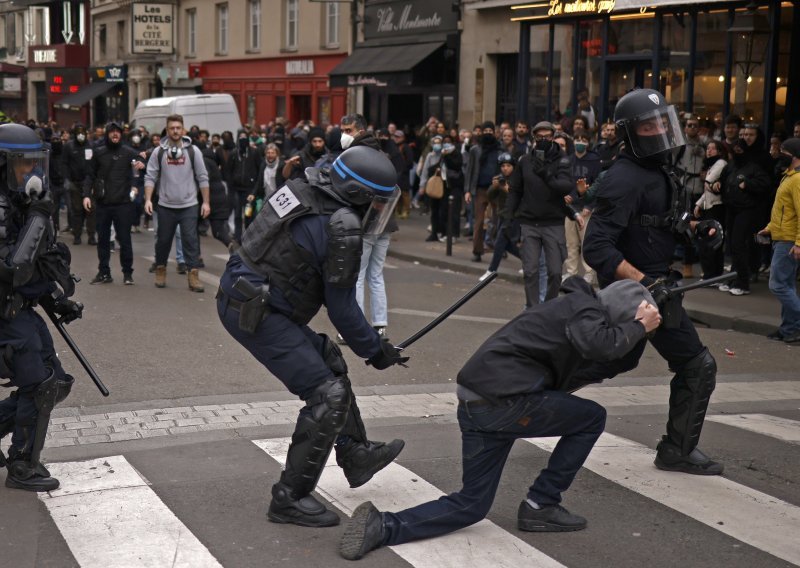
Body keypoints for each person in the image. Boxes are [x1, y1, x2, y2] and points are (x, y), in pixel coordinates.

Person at [339, 278, 662, 560]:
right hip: (505, 404)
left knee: (472, 504)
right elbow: (602, 346)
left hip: (479, 401)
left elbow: (609, 361)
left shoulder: (574, 310)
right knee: (592, 417)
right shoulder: (585, 312)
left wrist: (638, 333)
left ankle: (381, 526)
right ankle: (542, 504)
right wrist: (637, 327)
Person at [216, 146, 408, 527]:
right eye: (376, 201)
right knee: (327, 394)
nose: (378, 211)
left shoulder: (308, 187)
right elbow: (342, 308)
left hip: (247, 297)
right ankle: (288, 498)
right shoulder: (342, 225)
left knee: (329, 361)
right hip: (258, 310)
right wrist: (376, 350)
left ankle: (355, 453)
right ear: (357, 193)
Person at [581, 88, 725, 475]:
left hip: (659, 289)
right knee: (597, 363)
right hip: (632, 295)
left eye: (664, 122)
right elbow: (596, 247)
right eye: (649, 125)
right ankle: (522, 396)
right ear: (630, 133)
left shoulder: (658, 172)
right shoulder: (624, 178)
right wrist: (644, 281)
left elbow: (665, 223)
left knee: (696, 364)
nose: (659, 130)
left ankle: (677, 450)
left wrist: (699, 229)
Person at [0, 123, 82, 491]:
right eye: (21, 164)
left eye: (34, 163)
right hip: (3, 312)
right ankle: (23, 465)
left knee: (54, 382)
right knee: (41, 383)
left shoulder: (23, 203)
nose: (29, 172)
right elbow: (14, 268)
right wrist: (38, 217)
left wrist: (55, 298)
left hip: (17, 309)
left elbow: (38, 264)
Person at [505, 121, 578, 306]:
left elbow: (565, 186)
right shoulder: (525, 161)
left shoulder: (562, 159)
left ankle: (548, 307)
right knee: (530, 271)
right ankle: (532, 310)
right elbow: (515, 190)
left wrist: (546, 173)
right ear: (534, 138)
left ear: (553, 137)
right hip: (530, 223)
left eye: (546, 136)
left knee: (555, 272)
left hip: (553, 222)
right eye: (539, 137)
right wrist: (507, 216)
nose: (543, 140)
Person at [143, 114, 210, 292]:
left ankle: (193, 277)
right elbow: (150, 176)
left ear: (183, 130)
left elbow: (203, 177)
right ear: (167, 129)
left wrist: (206, 203)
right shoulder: (159, 152)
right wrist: (148, 199)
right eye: (172, 128)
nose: (175, 131)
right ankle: (161, 270)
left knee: (190, 241)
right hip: (165, 206)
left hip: (189, 205)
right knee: (163, 241)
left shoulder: (193, 151)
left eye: (178, 128)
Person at [82, 122, 145, 285]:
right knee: (102, 240)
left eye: (118, 132)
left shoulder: (129, 152)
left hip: (123, 204)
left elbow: (139, 163)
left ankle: (127, 273)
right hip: (103, 203)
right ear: (107, 134)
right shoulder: (99, 153)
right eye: (112, 132)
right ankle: (104, 272)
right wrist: (86, 195)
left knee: (125, 240)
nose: (115, 134)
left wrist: (140, 165)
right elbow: (89, 175)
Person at [715, 124, 772, 296]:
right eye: (735, 150)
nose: (737, 152)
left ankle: (743, 281)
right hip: (732, 208)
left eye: (750, 135)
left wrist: (748, 184)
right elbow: (723, 179)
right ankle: (734, 277)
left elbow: (765, 184)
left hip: (749, 210)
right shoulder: (732, 165)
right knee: (733, 244)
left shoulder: (755, 165)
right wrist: (717, 184)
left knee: (742, 243)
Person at [758, 137, 800, 344]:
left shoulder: (798, 179)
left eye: (782, 152)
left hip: (789, 240)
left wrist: (799, 243)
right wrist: (770, 228)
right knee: (787, 285)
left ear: (793, 156)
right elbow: (785, 211)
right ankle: (789, 329)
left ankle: (795, 325)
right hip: (782, 236)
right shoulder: (788, 177)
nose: (777, 155)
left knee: (777, 285)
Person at [563, 129, 601, 285]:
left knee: (586, 242)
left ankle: (589, 272)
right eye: (577, 139)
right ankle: (571, 272)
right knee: (571, 243)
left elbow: (598, 184)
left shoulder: (593, 160)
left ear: (588, 142)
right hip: (570, 207)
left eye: (583, 139)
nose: (580, 142)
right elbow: (564, 182)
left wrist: (590, 205)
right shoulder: (568, 160)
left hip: (585, 209)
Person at [464, 122, 502, 263]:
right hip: (480, 189)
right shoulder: (475, 149)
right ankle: (477, 251)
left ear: (494, 132)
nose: (487, 133)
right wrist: (467, 190)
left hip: (496, 189)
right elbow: (469, 170)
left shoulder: (499, 149)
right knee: (478, 222)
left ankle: (499, 247)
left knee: (497, 220)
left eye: (490, 130)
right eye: (485, 130)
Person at [694, 140, 728, 281]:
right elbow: (707, 189)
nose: (709, 151)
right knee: (708, 241)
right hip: (709, 205)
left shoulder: (720, 163)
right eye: (708, 148)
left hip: (716, 207)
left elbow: (708, 181)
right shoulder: (712, 164)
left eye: (713, 149)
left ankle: (712, 275)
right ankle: (711, 274)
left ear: (720, 151)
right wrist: (699, 204)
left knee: (712, 242)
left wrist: (709, 183)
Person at [62, 124, 96, 245]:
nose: (81, 135)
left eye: (83, 132)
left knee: (91, 210)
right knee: (77, 210)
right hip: (75, 183)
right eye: (78, 133)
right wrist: (67, 179)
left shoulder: (92, 145)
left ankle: (92, 236)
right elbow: (64, 163)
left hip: (90, 182)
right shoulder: (68, 146)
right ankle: (77, 235)